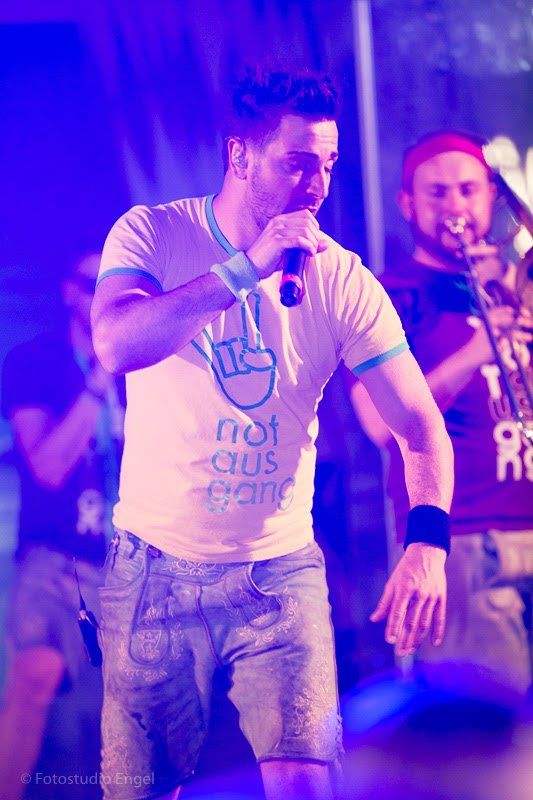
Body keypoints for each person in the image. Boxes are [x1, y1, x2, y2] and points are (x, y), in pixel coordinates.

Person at [91, 68, 454, 800]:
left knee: (306, 783)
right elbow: (116, 344)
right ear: (239, 156)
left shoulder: (341, 280)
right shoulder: (153, 233)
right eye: (297, 163)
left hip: (278, 572)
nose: (316, 186)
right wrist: (243, 270)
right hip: (154, 567)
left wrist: (427, 542)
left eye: (328, 165)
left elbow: (420, 428)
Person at [349, 131, 533, 694]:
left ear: (491, 197)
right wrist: (475, 353)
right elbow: (377, 423)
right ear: (407, 204)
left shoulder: (511, 287)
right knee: (489, 732)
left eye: (468, 191)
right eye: (438, 193)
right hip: (466, 542)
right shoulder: (389, 296)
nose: (456, 206)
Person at [0, 253, 125, 799]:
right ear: (70, 293)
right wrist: (98, 381)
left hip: (133, 563)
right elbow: (47, 467)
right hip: (55, 558)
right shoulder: (35, 362)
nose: (105, 295)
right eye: (93, 284)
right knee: (36, 675)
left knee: (145, 707)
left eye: (116, 283)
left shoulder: (150, 369)